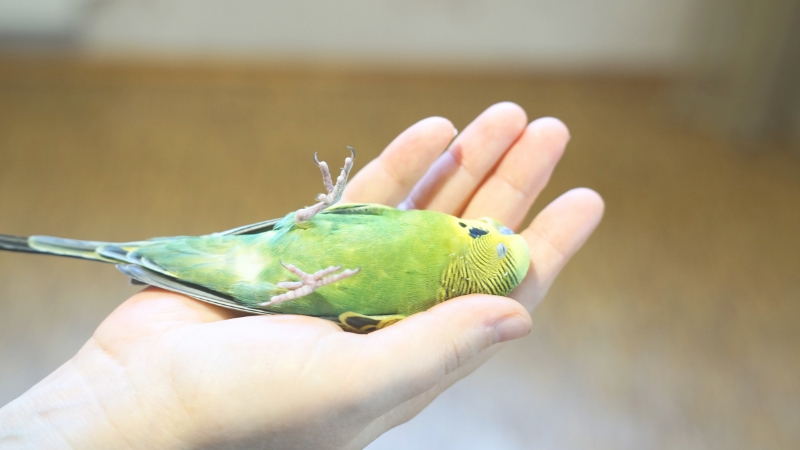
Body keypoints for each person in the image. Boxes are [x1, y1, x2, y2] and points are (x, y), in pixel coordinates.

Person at [0, 102, 604, 449]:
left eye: (496, 247)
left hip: (265, 284)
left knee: (134, 252)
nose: (495, 230)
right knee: (136, 250)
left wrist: (285, 295)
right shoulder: (435, 227)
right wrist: (320, 210)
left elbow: (350, 318)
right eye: (500, 233)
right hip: (276, 247)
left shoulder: (421, 301)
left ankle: (118, 254)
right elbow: (326, 220)